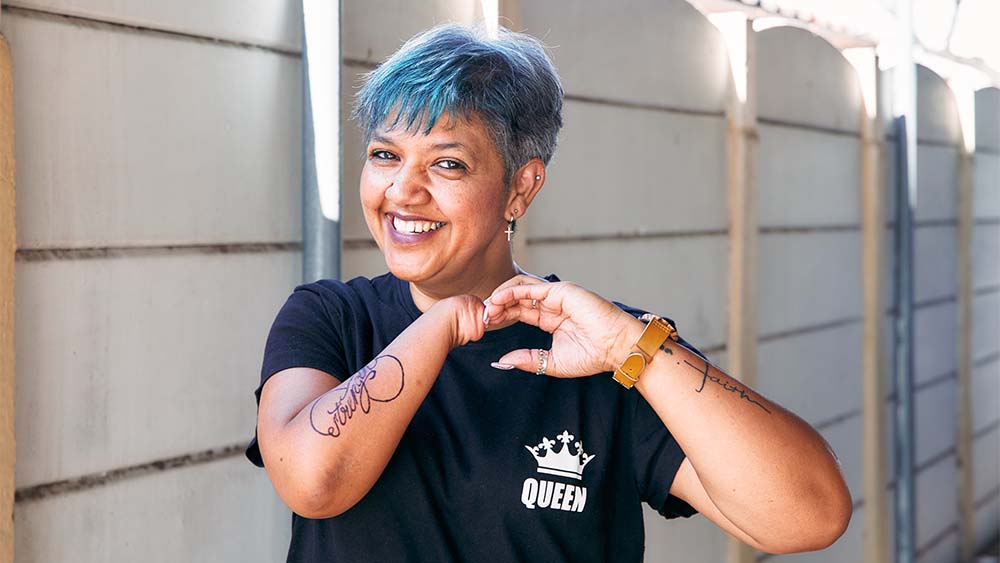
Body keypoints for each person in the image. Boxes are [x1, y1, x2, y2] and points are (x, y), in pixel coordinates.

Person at [245, 23, 852, 562]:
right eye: (385, 155)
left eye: (447, 163)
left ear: (521, 188)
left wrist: (631, 347)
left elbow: (812, 516)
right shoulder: (329, 318)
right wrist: (440, 327)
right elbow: (313, 483)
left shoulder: (611, 352)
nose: (402, 190)